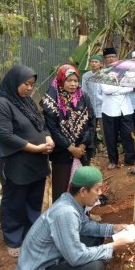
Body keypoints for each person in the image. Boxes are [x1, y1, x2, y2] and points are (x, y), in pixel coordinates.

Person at [16, 166, 135, 270]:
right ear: (83, 191)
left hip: (52, 256)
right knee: (94, 267)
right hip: (39, 267)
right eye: (97, 189)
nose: (100, 193)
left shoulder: (70, 201)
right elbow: (76, 257)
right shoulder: (65, 213)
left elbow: (84, 225)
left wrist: (112, 228)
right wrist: (112, 247)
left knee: (94, 238)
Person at [0, 65, 53, 257]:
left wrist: (48, 138)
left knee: (34, 199)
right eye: (26, 84)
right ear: (14, 81)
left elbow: (40, 124)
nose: (29, 88)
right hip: (16, 162)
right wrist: (35, 148)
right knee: (14, 201)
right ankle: (14, 239)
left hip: (37, 162)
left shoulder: (26, 102)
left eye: (32, 85)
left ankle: (31, 234)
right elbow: (4, 135)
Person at [40, 64, 96, 202]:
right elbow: (52, 128)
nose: (73, 84)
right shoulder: (51, 101)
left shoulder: (84, 97)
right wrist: (70, 148)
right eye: (69, 80)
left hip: (83, 151)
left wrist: (82, 146)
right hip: (62, 152)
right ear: (60, 80)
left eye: (75, 81)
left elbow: (91, 123)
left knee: (84, 187)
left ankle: (83, 217)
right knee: (61, 188)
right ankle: (61, 219)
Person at [100, 47, 135, 170]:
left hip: (125, 109)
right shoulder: (103, 72)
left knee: (128, 134)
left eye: (113, 56)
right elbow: (106, 90)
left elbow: (131, 87)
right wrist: (122, 87)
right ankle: (113, 160)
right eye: (108, 57)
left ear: (117, 57)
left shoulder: (126, 71)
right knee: (111, 136)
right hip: (109, 110)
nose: (111, 59)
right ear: (104, 60)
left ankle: (130, 159)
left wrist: (117, 88)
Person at [82, 55, 104, 139]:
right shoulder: (86, 76)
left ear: (101, 64)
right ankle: (92, 148)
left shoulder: (104, 75)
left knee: (104, 130)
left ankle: (107, 148)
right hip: (90, 107)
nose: (94, 64)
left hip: (102, 107)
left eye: (96, 62)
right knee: (91, 129)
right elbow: (84, 91)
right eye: (92, 62)